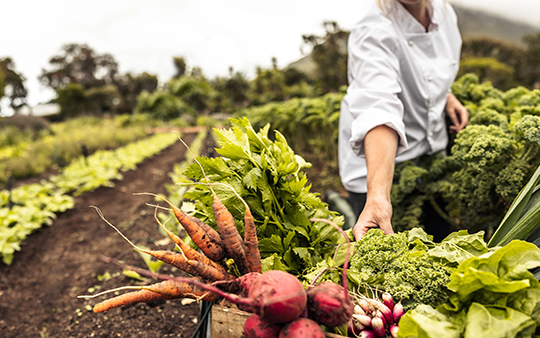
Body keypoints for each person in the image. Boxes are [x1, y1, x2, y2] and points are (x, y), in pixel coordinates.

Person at [338, 0, 469, 240]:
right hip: (379, 168)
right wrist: (378, 196)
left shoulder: (444, 13)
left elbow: (427, 69)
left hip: (429, 156)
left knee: (441, 239)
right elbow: (379, 108)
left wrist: (446, 95)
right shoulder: (373, 30)